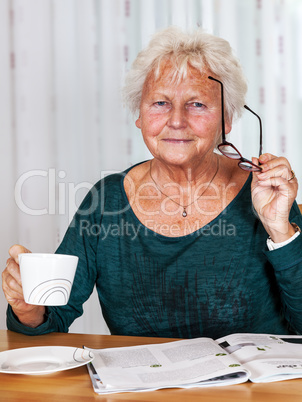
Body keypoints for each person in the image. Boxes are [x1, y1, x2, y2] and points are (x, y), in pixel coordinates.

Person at [2, 27, 302, 339]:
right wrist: (28, 309)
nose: (176, 120)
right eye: (160, 102)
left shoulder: (264, 192)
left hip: (253, 386)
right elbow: (52, 320)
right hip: (143, 386)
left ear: (226, 120)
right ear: (141, 116)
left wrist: (280, 229)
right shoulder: (106, 203)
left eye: (197, 104)